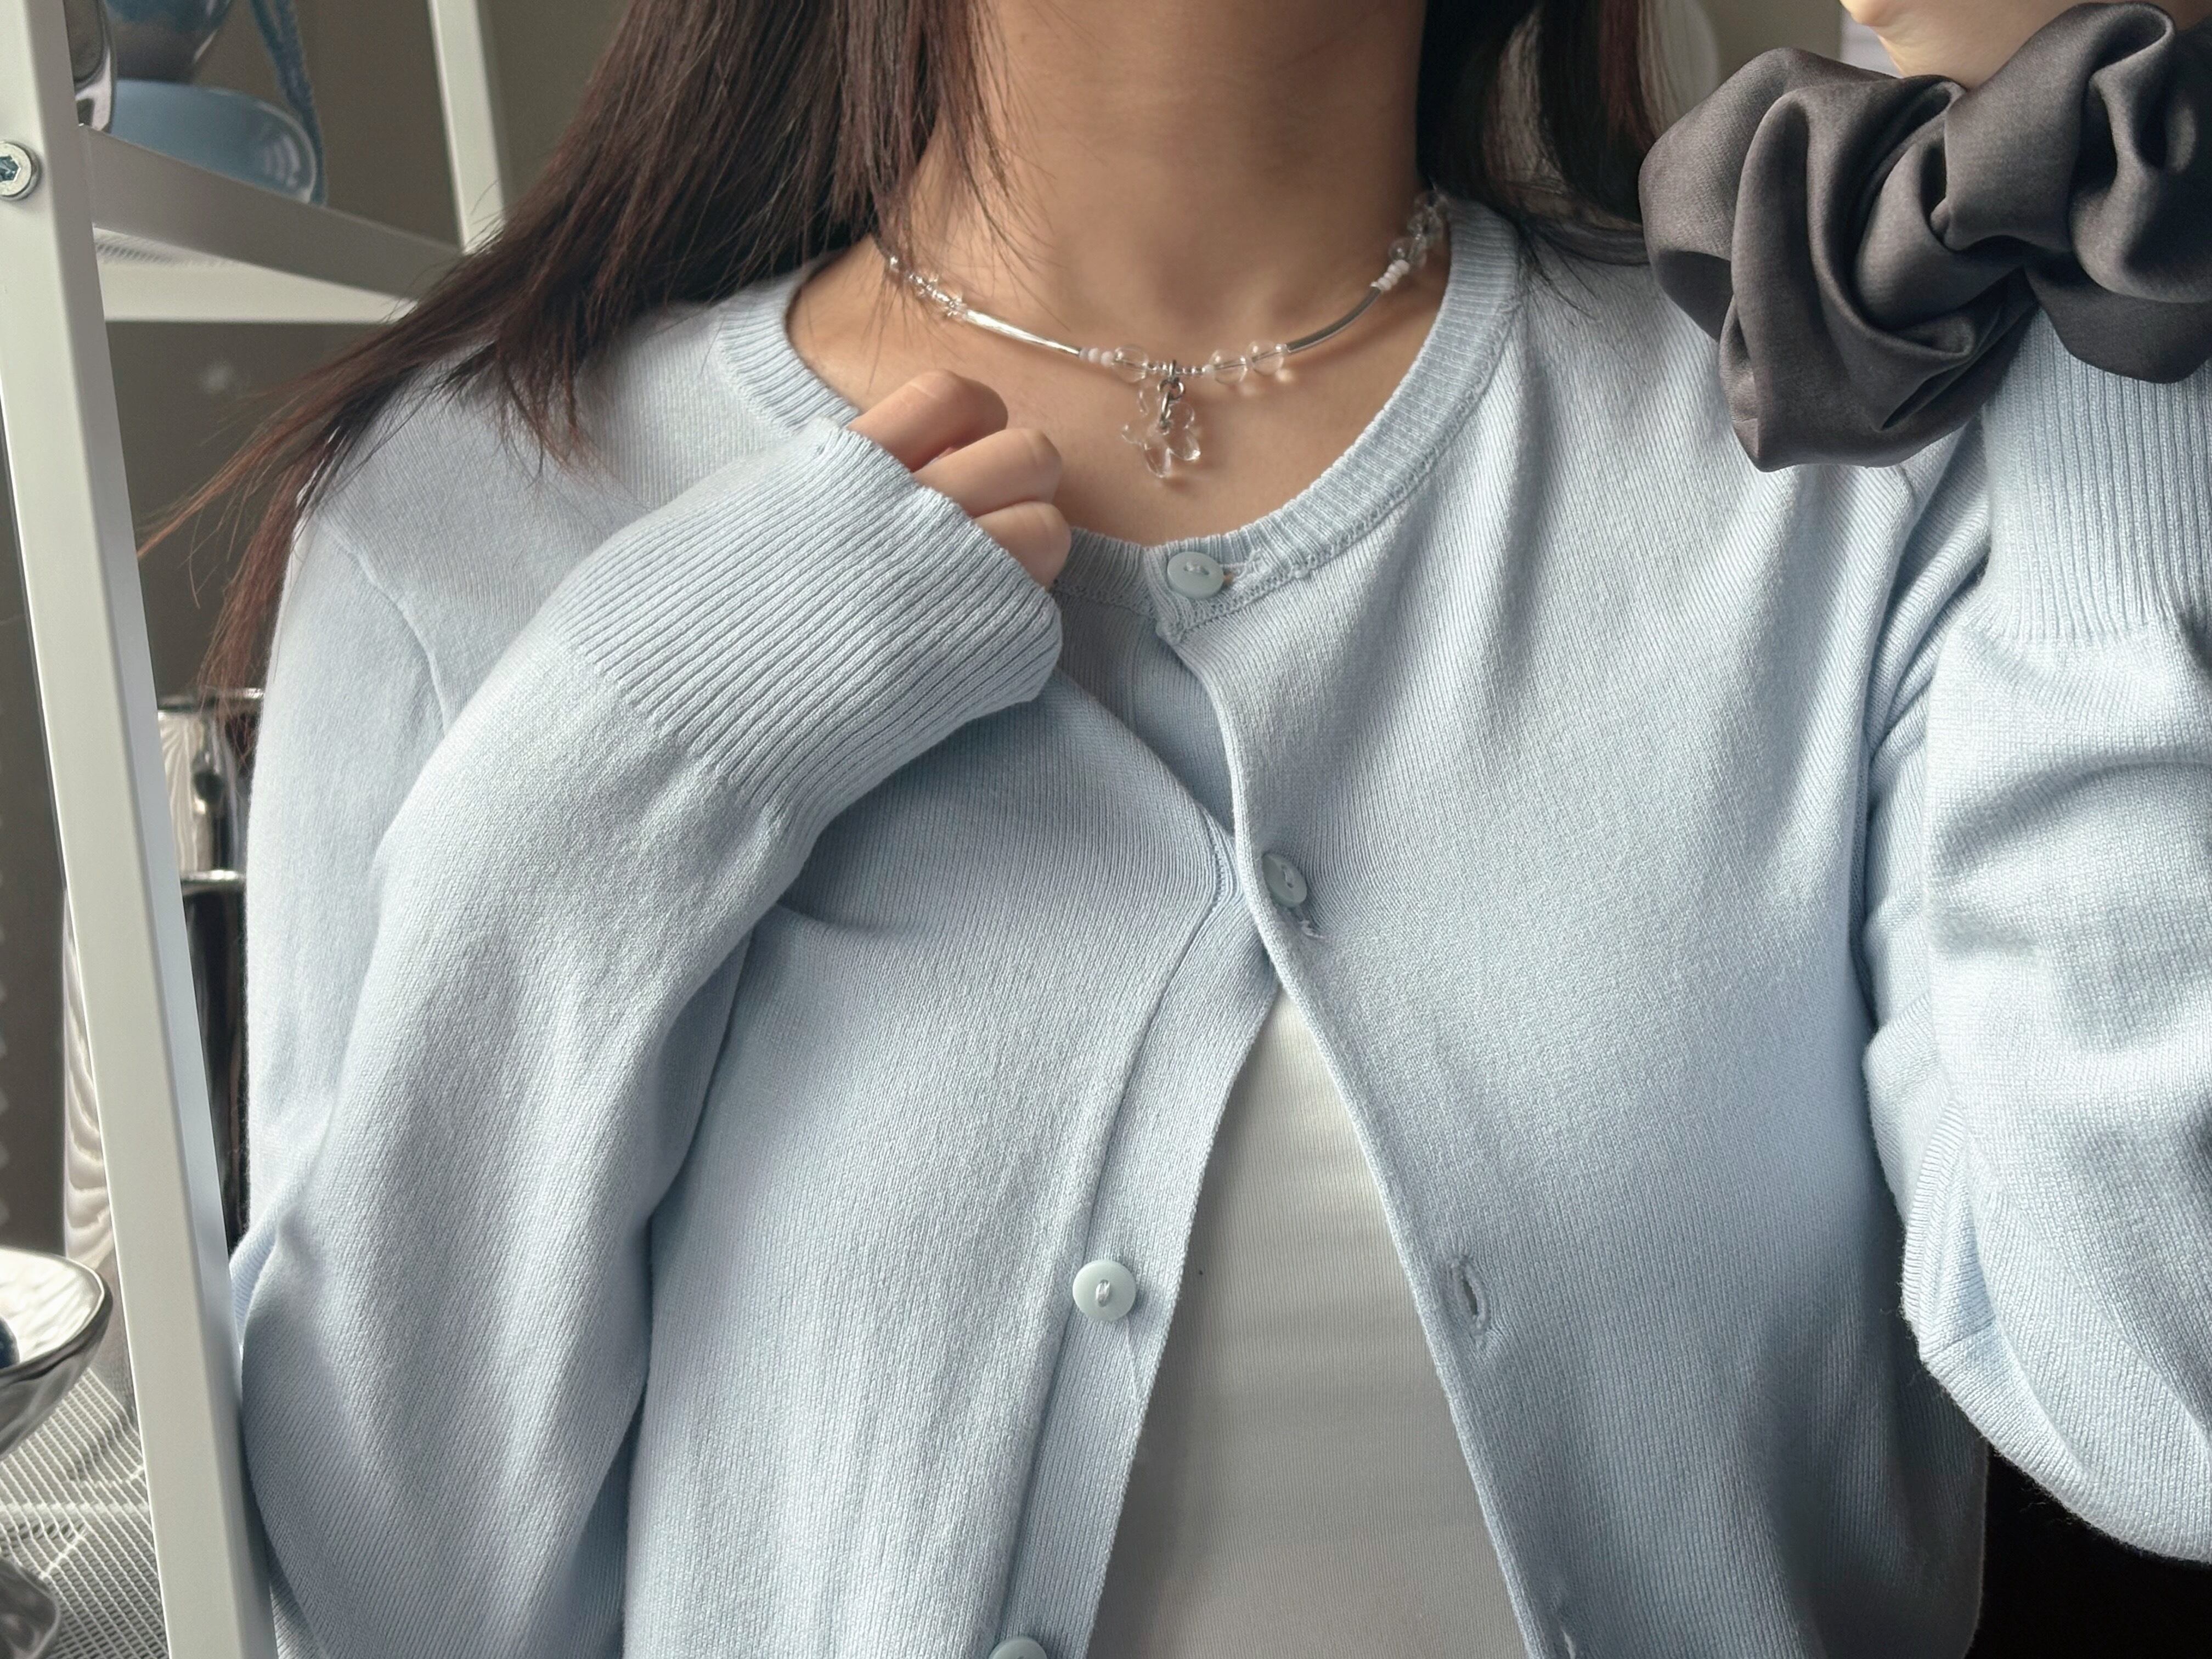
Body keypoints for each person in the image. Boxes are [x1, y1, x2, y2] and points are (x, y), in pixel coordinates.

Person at [188, 0, 2212, 1652]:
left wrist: (2111, 304)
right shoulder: (470, 518)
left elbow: (2169, 1405)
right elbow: (399, 1605)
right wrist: (638, 758)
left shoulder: (1842, 465)